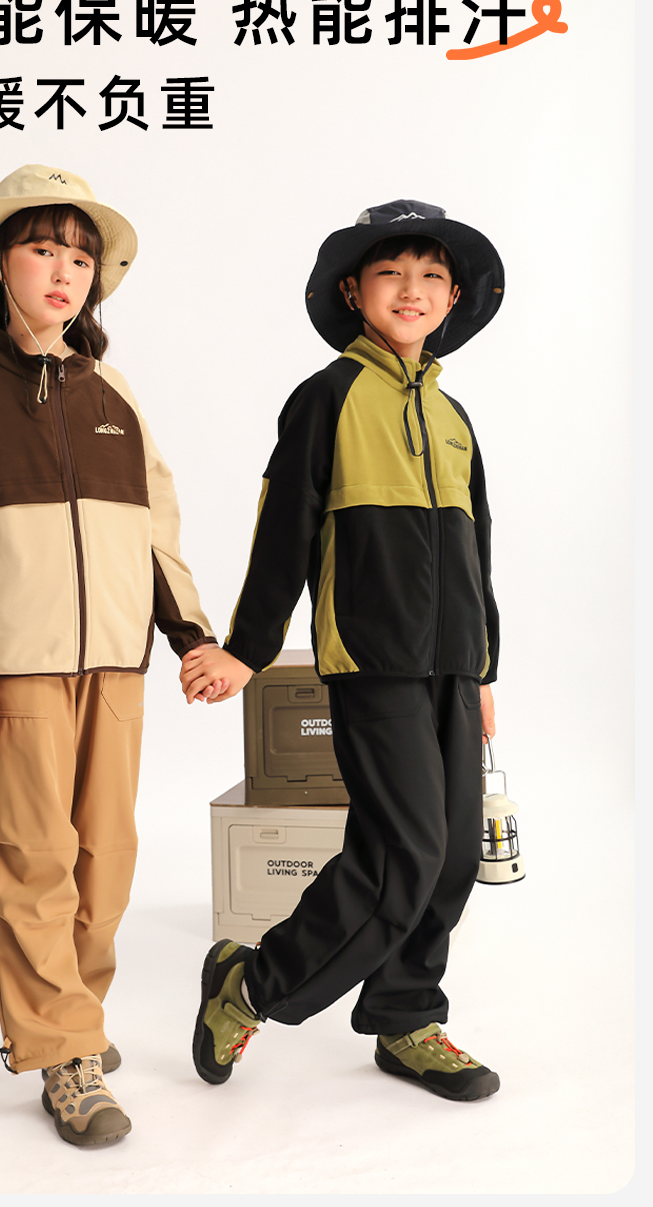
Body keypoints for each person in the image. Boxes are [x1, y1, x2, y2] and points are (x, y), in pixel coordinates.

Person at [0, 164, 220, 1147]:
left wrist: (192, 634)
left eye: (79, 258)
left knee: (105, 860)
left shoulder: (112, 390)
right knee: (33, 859)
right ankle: (59, 1049)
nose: (64, 271)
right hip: (19, 669)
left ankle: (71, 1010)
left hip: (116, 665)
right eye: (42, 249)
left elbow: (157, 527)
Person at [181, 199, 504, 1102]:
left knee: (450, 855)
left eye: (432, 276)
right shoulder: (327, 397)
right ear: (354, 292)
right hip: (373, 661)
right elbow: (283, 528)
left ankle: (407, 1017)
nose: (413, 290)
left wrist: (484, 668)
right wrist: (247, 649)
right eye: (391, 273)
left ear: (453, 299)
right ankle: (251, 984)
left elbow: (477, 551)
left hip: (452, 664)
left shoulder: (453, 416)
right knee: (403, 856)